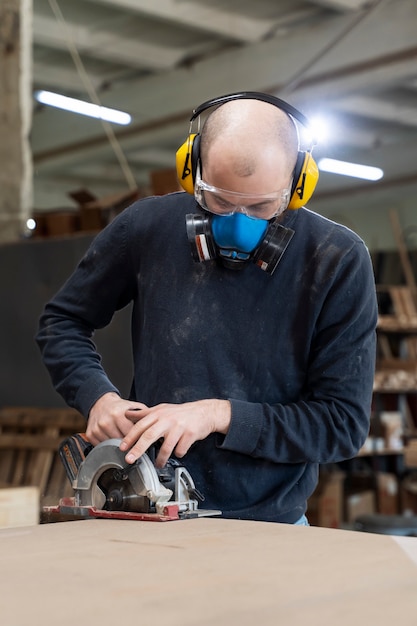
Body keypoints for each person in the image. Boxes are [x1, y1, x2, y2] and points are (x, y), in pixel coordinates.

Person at [36, 92, 378, 524]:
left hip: (269, 528)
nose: (237, 223)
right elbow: (62, 321)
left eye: (260, 207)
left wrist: (219, 414)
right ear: (191, 168)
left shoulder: (335, 259)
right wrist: (97, 397)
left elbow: (340, 426)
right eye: (217, 201)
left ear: (298, 184)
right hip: (147, 515)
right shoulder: (146, 229)